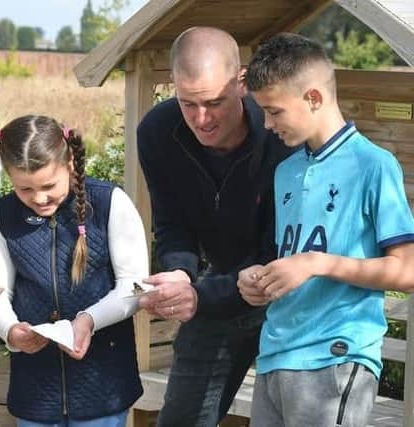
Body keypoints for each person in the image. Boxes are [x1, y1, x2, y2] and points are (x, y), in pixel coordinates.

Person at [239, 32, 414, 427]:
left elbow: (407, 271)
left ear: (313, 98)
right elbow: (295, 258)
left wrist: (317, 263)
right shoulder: (285, 171)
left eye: (274, 111)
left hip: (336, 357)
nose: (266, 124)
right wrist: (261, 279)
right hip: (275, 355)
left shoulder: (375, 166)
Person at [136, 26, 292, 426]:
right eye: (187, 103)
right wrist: (178, 271)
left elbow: (282, 252)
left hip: (290, 298)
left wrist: (202, 295)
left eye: (214, 103)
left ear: (241, 83)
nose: (201, 119)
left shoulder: (282, 135)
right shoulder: (157, 132)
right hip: (217, 292)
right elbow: (171, 223)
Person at [0, 115, 148, 427]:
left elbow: (134, 286)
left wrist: (89, 320)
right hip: (36, 391)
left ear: (70, 162)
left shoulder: (109, 202)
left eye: (48, 186)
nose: (39, 198)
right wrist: (11, 331)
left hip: (103, 386)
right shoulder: (4, 215)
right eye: (24, 189)